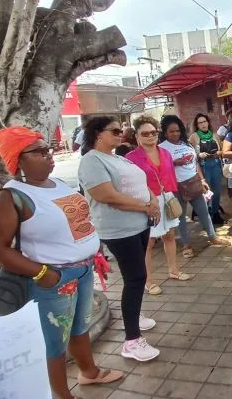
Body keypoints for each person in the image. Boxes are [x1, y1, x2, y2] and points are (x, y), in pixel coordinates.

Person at [0, 127, 124, 398]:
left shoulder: (57, 184)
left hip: (84, 271)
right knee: (54, 344)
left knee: (79, 328)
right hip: (52, 280)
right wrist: (43, 274)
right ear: (19, 160)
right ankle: (63, 394)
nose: (49, 156)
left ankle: (89, 373)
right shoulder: (10, 197)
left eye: (47, 149)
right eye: (39, 152)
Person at [78, 116, 160, 362]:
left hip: (139, 225)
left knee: (136, 278)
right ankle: (132, 341)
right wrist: (145, 207)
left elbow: (142, 183)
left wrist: (153, 202)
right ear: (98, 134)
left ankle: (133, 316)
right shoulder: (91, 160)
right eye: (114, 130)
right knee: (136, 278)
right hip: (119, 230)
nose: (120, 133)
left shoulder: (117, 157)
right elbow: (107, 196)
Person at [127, 116, 192, 296]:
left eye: (153, 132)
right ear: (137, 136)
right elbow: (130, 184)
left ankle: (174, 270)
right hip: (146, 202)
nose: (150, 136)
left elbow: (170, 176)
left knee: (169, 235)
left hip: (166, 197)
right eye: (145, 133)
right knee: (148, 242)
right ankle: (148, 280)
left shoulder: (165, 153)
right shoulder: (131, 158)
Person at [159, 115, 228, 258]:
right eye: (171, 131)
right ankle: (186, 245)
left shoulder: (187, 144)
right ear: (165, 133)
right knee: (181, 216)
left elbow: (195, 163)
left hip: (194, 181)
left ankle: (212, 237)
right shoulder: (161, 148)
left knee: (203, 211)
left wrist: (202, 179)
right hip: (176, 186)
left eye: (177, 130)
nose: (175, 134)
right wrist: (174, 163)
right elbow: (159, 168)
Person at [189, 113, 225, 226]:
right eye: (200, 122)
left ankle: (215, 214)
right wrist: (199, 155)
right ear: (197, 125)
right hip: (203, 166)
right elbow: (190, 154)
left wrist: (219, 153)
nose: (203, 124)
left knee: (217, 191)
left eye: (204, 121)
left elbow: (222, 150)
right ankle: (206, 215)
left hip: (215, 164)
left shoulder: (215, 135)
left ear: (208, 122)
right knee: (206, 192)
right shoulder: (193, 137)